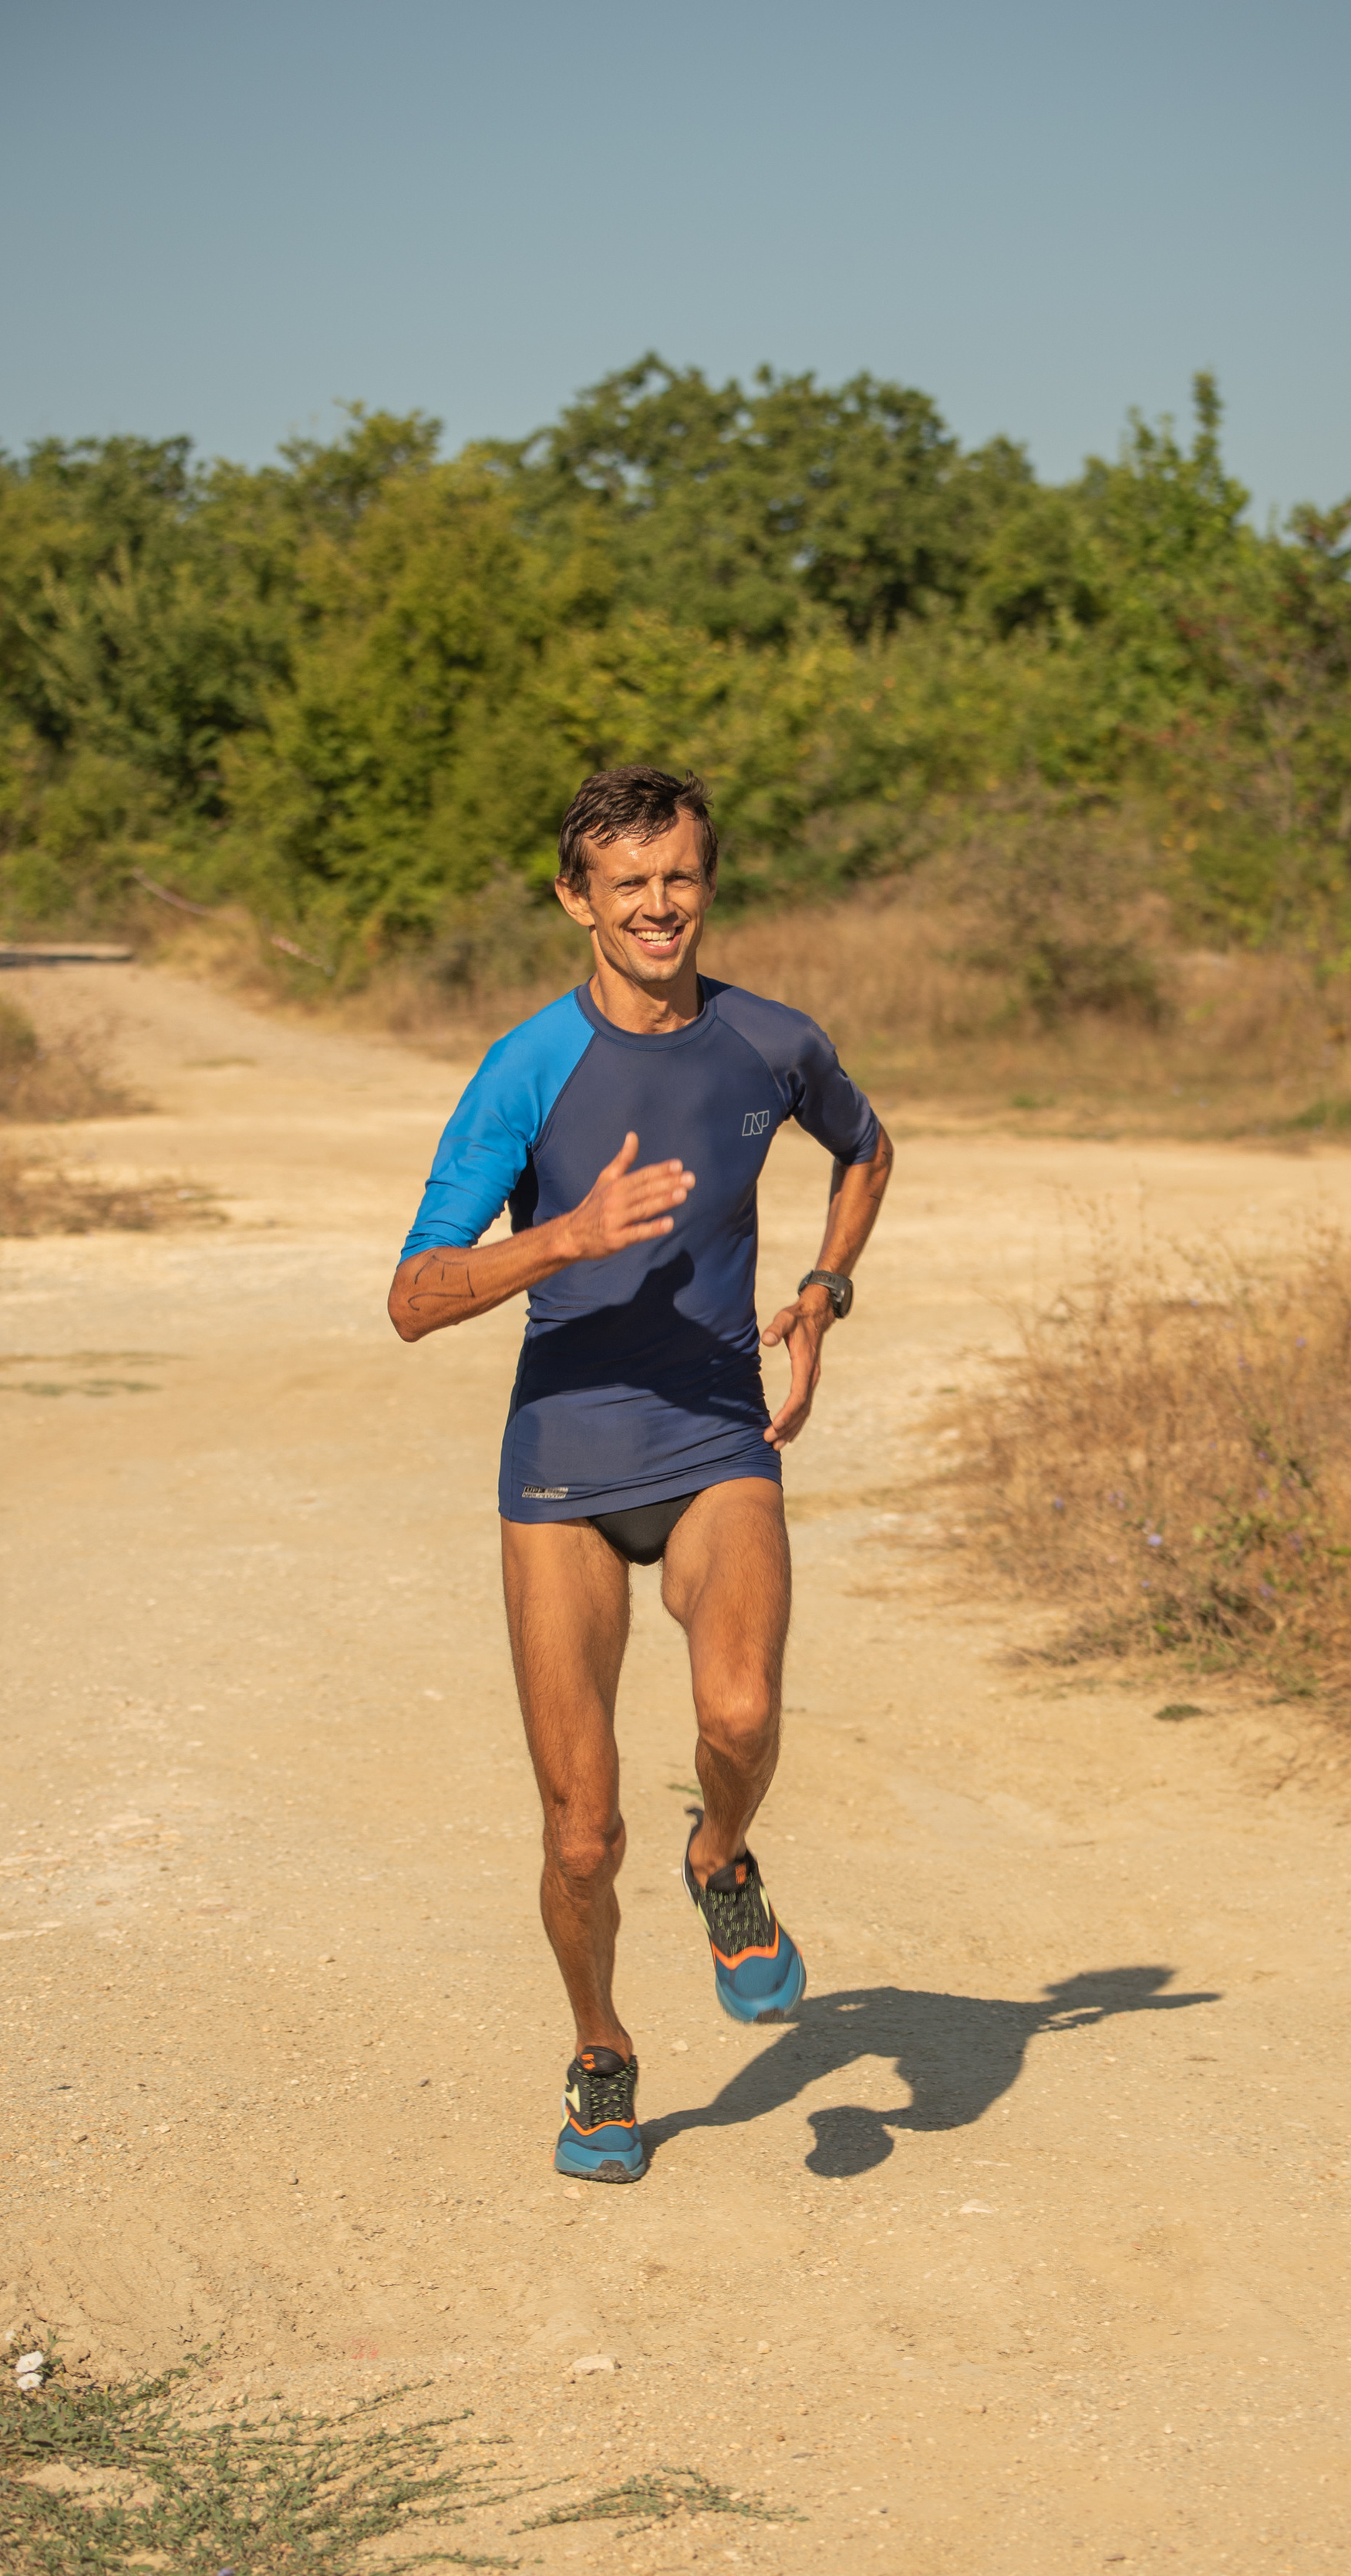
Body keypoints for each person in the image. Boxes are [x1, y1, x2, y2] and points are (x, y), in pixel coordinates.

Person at [389, 765, 893, 2184]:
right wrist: (564, 1237)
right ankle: (602, 2048)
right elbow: (416, 1297)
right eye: (628, 885)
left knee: (738, 1713)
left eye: (679, 877)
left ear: (706, 881)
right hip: (561, 1463)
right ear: (577, 901)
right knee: (580, 1828)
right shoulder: (526, 1069)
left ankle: (723, 1859)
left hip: (718, 1435)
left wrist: (824, 1288)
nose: (658, 905)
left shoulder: (771, 1041)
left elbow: (868, 1150)